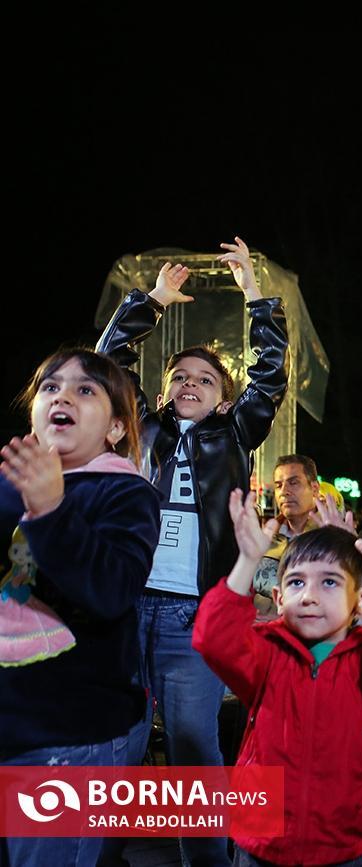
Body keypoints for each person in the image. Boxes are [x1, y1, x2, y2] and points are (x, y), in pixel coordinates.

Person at [95, 240, 289, 867]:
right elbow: (105, 366)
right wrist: (151, 300)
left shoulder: (235, 431)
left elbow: (270, 373)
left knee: (192, 754)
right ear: (163, 390)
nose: (189, 384)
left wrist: (255, 294)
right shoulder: (141, 426)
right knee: (119, 750)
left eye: (205, 380)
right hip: (128, 613)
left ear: (224, 400)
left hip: (192, 619)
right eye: (180, 376)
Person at [193, 493, 362, 866]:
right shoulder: (266, 653)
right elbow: (212, 637)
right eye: (295, 583)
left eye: (329, 583)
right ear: (277, 597)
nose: (308, 596)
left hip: (345, 845)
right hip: (262, 841)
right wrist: (248, 560)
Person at [0, 349, 161, 867]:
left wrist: (51, 510)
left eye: (85, 389)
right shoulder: (7, 486)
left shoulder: (125, 493)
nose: (63, 396)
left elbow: (110, 591)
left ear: (115, 429)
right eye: (50, 387)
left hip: (67, 738)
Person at [252, 454, 322, 618]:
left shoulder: (332, 540)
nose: (284, 491)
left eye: (293, 483)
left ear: (314, 488)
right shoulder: (267, 538)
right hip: (257, 629)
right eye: (279, 485)